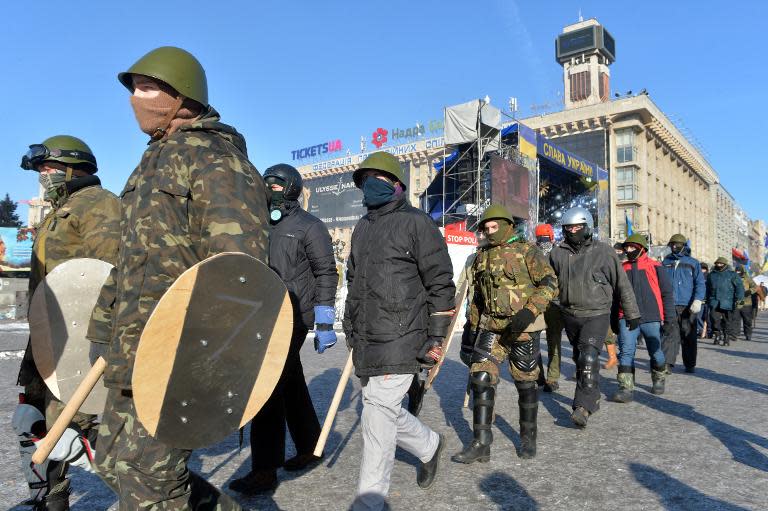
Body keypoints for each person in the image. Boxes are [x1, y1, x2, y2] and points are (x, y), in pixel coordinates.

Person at [92, 46, 269, 510]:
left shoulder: (216, 159)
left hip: (178, 349)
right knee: (113, 460)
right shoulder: (150, 163)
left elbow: (240, 269)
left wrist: (214, 356)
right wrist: (102, 330)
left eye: (148, 87)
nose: (136, 97)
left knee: (151, 479)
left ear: (181, 95)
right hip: (131, 345)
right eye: (134, 89)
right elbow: (128, 258)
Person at [343, 151, 455, 511]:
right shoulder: (362, 227)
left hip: (404, 334)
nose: (371, 184)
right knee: (379, 407)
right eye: (366, 179)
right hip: (367, 335)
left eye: (380, 177)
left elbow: (441, 282)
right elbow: (353, 279)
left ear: (397, 184)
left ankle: (369, 502)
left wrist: (436, 337)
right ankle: (429, 445)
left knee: (376, 418)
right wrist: (349, 325)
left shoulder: (417, 223)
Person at [13, 135, 120, 510]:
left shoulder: (99, 205)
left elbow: (110, 273)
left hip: (80, 340)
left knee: (82, 429)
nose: (42, 175)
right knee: (34, 419)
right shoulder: (63, 208)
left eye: (47, 167)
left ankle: (159, 495)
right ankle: (49, 499)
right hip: (49, 334)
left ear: (73, 167)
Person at [229, 164, 338, 494]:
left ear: (292, 188)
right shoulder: (256, 223)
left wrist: (324, 319)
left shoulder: (309, 226)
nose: (271, 189)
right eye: (267, 184)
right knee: (289, 381)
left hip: (294, 316)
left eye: (278, 185)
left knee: (268, 386)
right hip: (262, 314)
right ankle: (310, 446)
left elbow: (326, 273)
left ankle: (264, 469)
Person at [455, 207, 557, 463]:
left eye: (494, 227)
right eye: (486, 228)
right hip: (491, 326)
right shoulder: (481, 256)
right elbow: (478, 297)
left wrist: (530, 311)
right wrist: (471, 327)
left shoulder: (527, 251)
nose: (490, 232)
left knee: (525, 382)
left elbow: (549, 283)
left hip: (522, 328)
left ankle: (528, 437)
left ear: (507, 226)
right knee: (480, 378)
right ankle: (481, 442)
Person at [548, 207, 640, 428]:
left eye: (578, 227)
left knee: (588, 357)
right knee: (581, 359)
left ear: (587, 226)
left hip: (597, 313)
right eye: (569, 227)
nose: (573, 230)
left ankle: (583, 407)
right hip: (570, 313)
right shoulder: (557, 253)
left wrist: (631, 312)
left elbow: (621, 283)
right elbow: (547, 283)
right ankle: (592, 395)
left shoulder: (604, 251)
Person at [611, 234, 675, 402]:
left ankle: (659, 378)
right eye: (627, 248)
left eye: (632, 248)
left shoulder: (655, 266)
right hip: (626, 316)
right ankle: (626, 388)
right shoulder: (621, 268)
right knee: (626, 352)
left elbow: (666, 293)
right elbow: (615, 296)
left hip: (651, 316)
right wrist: (613, 319)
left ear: (641, 249)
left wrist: (670, 319)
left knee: (655, 351)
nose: (628, 251)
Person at [661, 234, 706, 373]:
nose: (674, 247)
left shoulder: (693, 263)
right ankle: (667, 363)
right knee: (669, 334)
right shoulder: (665, 262)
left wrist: (698, 300)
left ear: (684, 246)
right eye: (672, 245)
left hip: (688, 305)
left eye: (677, 245)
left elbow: (700, 283)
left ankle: (690, 363)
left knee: (688, 335)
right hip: (670, 304)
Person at [535, 224, 564, 392]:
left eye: (544, 239)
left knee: (550, 341)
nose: (542, 242)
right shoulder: (536, 254)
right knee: (544, 341)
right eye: (541, 239)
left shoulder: (557, 254)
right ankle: (544, 377)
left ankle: (550, 377)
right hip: (544, 303)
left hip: (551, 304)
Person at [706, 257, 744, 347]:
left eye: (721, 264)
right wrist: (706, 299)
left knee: (727, 321)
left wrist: (740, 300)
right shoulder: (711, 275)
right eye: (717, 264)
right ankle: (717, 336)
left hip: (728, 301)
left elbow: (739, 287)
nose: (719, 265)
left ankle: (726, 337)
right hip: (714, 301)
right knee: (714, 319)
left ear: (725, 264)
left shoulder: (732, 274)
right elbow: (707, 288)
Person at [734, 266, 757, 341]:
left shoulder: (748, 278)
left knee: (747, 320)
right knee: (736, 319)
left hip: (746, 302)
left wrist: (750, 291)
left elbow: (755, 287)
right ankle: (736, 334)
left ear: (742, 272)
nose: (738, 273)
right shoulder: (733, 278)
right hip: (737, 301)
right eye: (736, 272)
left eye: (739, 272)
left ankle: (748, 334)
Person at [698, 263, 712, 338]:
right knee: (698, 316)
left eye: (704, 269)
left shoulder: (710, 276)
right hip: (700, 299)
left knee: (708, 318)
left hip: (708, 299)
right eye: (701, 268)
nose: (702, 270)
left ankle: (709, 331)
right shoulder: (697, 276)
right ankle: (700, 330)